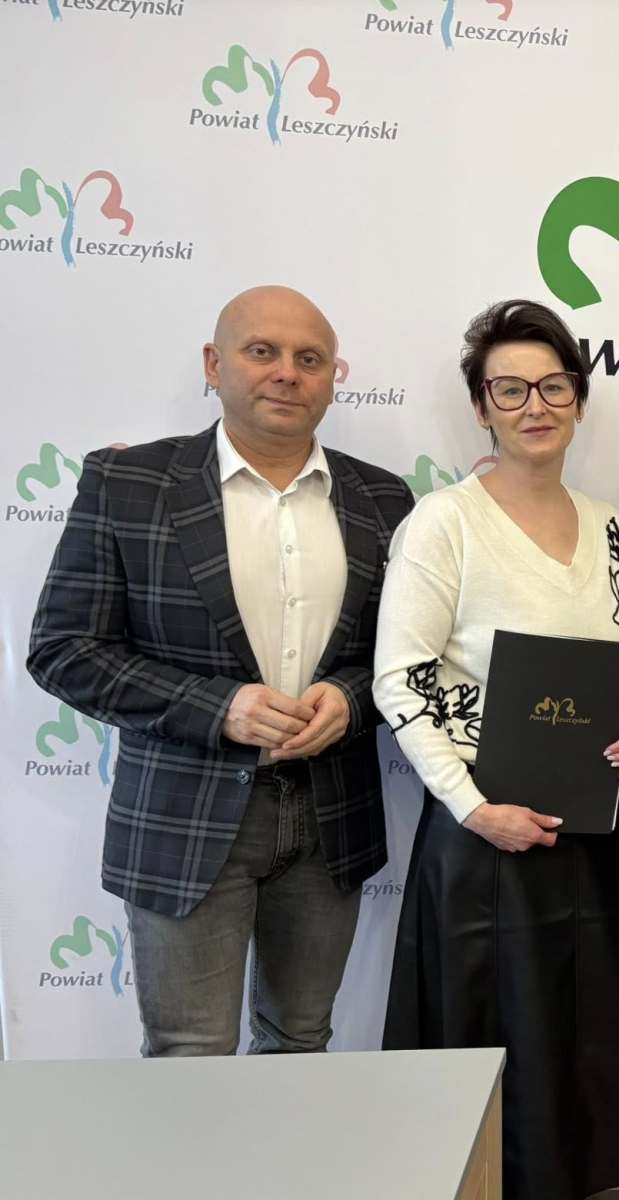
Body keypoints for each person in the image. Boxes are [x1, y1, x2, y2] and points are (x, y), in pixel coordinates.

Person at [27, 285, 413, 1057]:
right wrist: (218, 707)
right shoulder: (128, 485)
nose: (287, 373)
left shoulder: (382, 497)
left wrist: (351, 697)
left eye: (309, 359)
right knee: (190, 1053)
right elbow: (63, 649)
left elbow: (405, 654)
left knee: (300, 1043)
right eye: (262, 351)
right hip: (183, 818)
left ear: (333, 377)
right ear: (214, 364)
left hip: (331, 817)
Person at [374, 299, 619, 1200]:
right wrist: (474, 809)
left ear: (578, 398)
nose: (534, 406)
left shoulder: (609, 524)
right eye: (510, 389)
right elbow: (399, 680)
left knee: (583, 1039)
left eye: (553, 386)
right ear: (481, 406)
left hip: (588, 826)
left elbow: (614, 658)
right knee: (491, 1048)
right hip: (484, 832)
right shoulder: (444, 522)